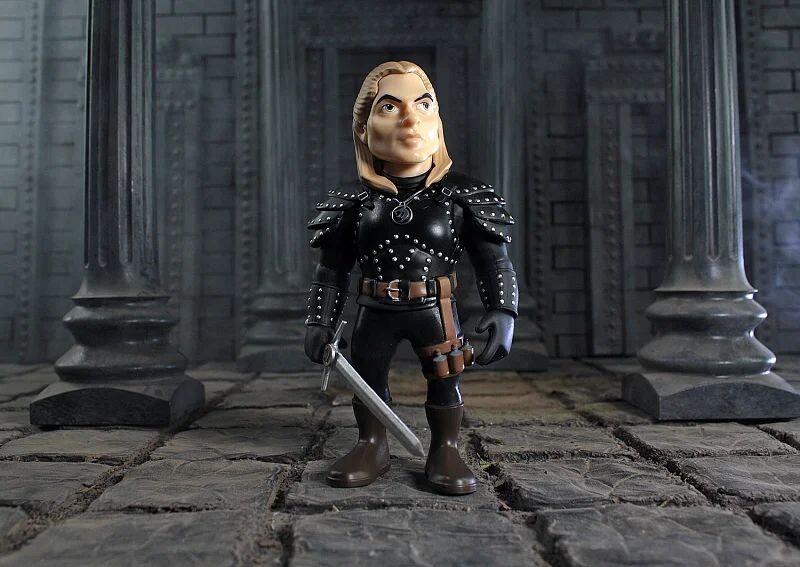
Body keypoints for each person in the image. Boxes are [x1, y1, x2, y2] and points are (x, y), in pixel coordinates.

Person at [304, 61, 517, 495]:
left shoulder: (462, 196)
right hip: (374, 310)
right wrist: (320, 320)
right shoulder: (353, 202)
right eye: (389, 106)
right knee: (368, 376)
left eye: (423, 104)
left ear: (437, 119)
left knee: (445, 377)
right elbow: (331, 270)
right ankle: (372, 443)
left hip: (436, 309)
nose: (409, 118)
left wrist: (503, 309)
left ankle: (446, 447)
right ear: (363, 128)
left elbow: (495, 262)